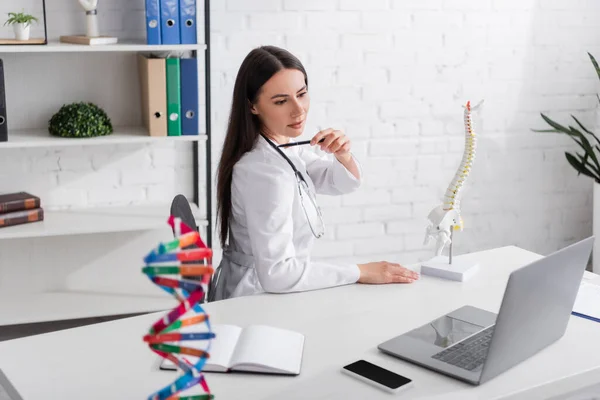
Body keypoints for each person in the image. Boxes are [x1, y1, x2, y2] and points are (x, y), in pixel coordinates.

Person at [208, 45, 419, 302]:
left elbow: (340, 183)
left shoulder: (280, 147)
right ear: (253, 106)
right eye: (281, 101)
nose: (299, 110)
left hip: (269, 293)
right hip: (255, 299)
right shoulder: (264, 173)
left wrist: (342, 155)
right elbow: (278, 274)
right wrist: (360, 271)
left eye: (302, 94)